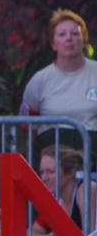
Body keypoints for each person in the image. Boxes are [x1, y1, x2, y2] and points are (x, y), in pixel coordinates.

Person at [21, 9, 97, 160]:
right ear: (53, 44)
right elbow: (27, 125)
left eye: (75, 34)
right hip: (52, 155)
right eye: (62, 34)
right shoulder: (39, 80)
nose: (69, 39)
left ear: (84, 40)